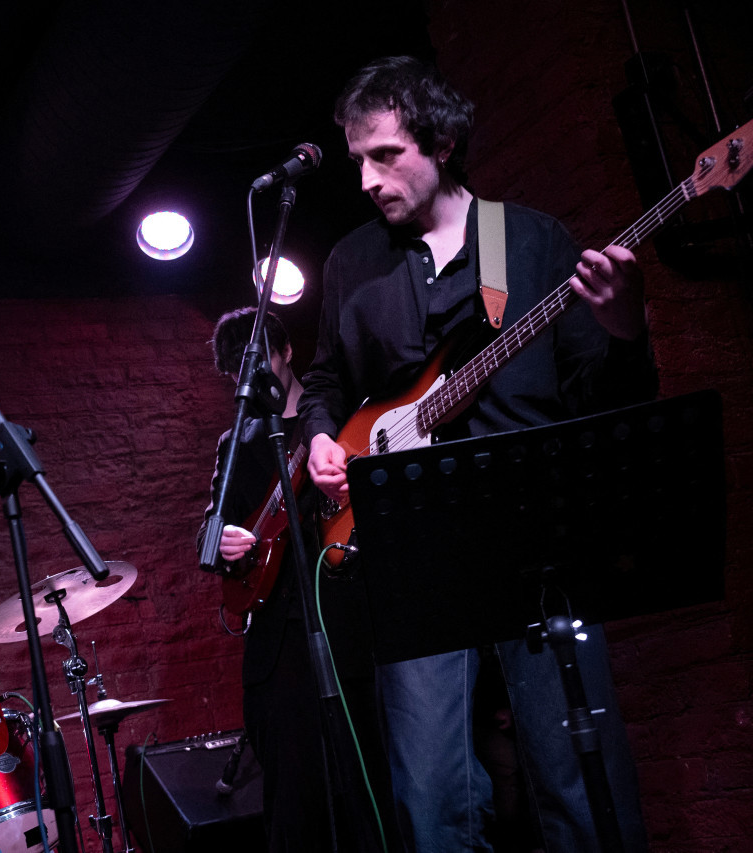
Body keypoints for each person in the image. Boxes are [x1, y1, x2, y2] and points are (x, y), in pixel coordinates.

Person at [298, 56, 654, 851]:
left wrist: (626, 328)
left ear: (445, 140)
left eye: (384, 154)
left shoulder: (529, 242)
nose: (365, 178)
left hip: (537, 539)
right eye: (357, 158)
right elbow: (324, 381)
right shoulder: (353, 263)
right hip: (413, 551)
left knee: (578, 779)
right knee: (430, 799)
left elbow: (605, 400)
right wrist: (319, 434)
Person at [200, 307, 387, 852]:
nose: (247, 380)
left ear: (285, 353)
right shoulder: (235, 443)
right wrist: (223, 543)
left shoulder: (334, 419)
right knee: (293, 797)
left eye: (255, 363)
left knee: (365, 777)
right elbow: (208, 534)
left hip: (347, 618)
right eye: (235, 373)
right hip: (277, 640)